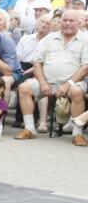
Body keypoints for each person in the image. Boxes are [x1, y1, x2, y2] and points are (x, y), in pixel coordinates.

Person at [14, 10, 88, 145]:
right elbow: (37, 63)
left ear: (78, 23)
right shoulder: (49, 38)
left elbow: (85, 67)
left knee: (77, 92)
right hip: (47, 83)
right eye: (65, 20)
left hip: (73, 83)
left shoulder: (85, 40)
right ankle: (29, 129)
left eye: (71, 21)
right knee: (24, 88)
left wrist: (68, 84)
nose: (67, 23)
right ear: (60, 22)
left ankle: (77, 134)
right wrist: (42, 83)